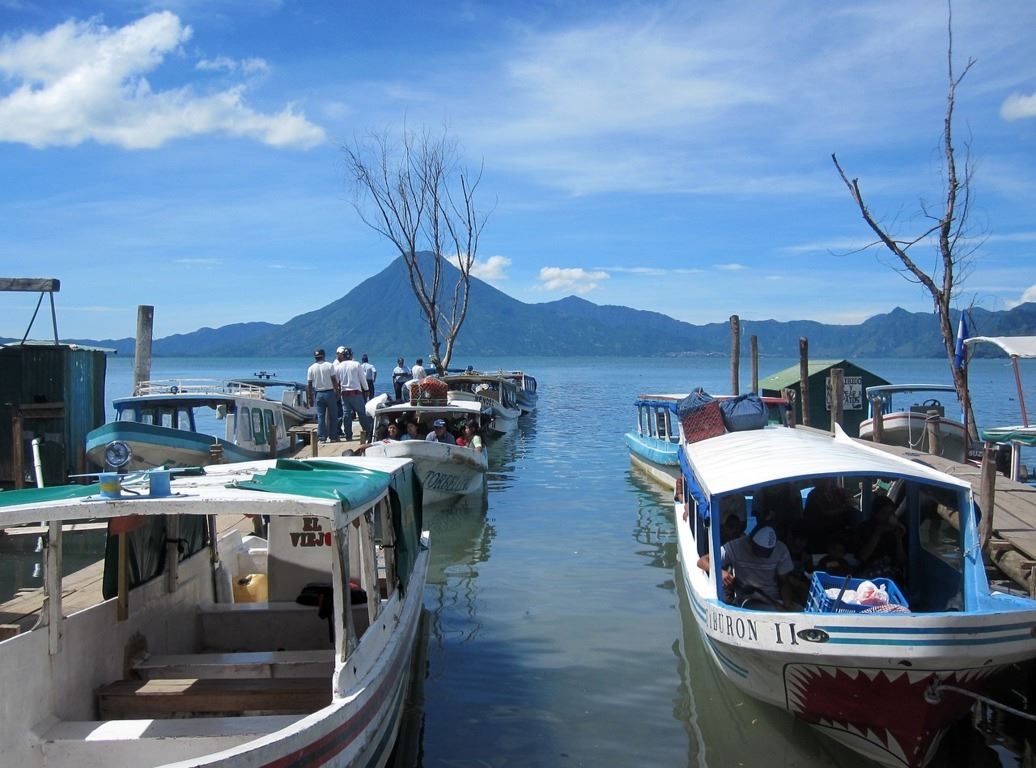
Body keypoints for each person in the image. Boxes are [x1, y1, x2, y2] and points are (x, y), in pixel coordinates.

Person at [696, 526, 796, 610]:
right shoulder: (736, 546)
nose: (766, 555)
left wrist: (787, 605)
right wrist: (720, 572)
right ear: (751, 543)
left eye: (769, 552)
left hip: (773, 599)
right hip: (748, 599)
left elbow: (784, 582)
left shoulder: (781, 549)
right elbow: (702, 562)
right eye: (762, 551)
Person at [854, 495, 907, 580]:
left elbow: (902, 561)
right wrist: (878, 532)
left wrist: (899, 538)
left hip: (890, 570)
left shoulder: (896, 530)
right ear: (875, 514)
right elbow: (862, 557)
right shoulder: (864, 527)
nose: (888, 517)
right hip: (870, 569)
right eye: (884, 513)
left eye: (891, 513)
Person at [333, 346, 372, 442]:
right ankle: (367, 432)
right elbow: (362, 379)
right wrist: (366, 390)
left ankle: (348, 435)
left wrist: (337, 391)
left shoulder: (339, 366)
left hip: (344, 393)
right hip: (356, 392)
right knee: (361, 413)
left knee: (346, 415)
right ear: (351, 355)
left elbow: (336, 381)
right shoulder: (356, 364)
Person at [306, 348, 340, 444]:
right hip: (329, 393)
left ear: (315, 357)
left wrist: (310, 397)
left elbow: (309, 384)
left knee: (321, 416)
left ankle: (321, 438)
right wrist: (337, 391)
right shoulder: (329, 365)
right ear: (324, 356)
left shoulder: (311, 368)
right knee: (333, 416)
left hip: (318, 394)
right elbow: (334, 380)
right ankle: (333, 436)